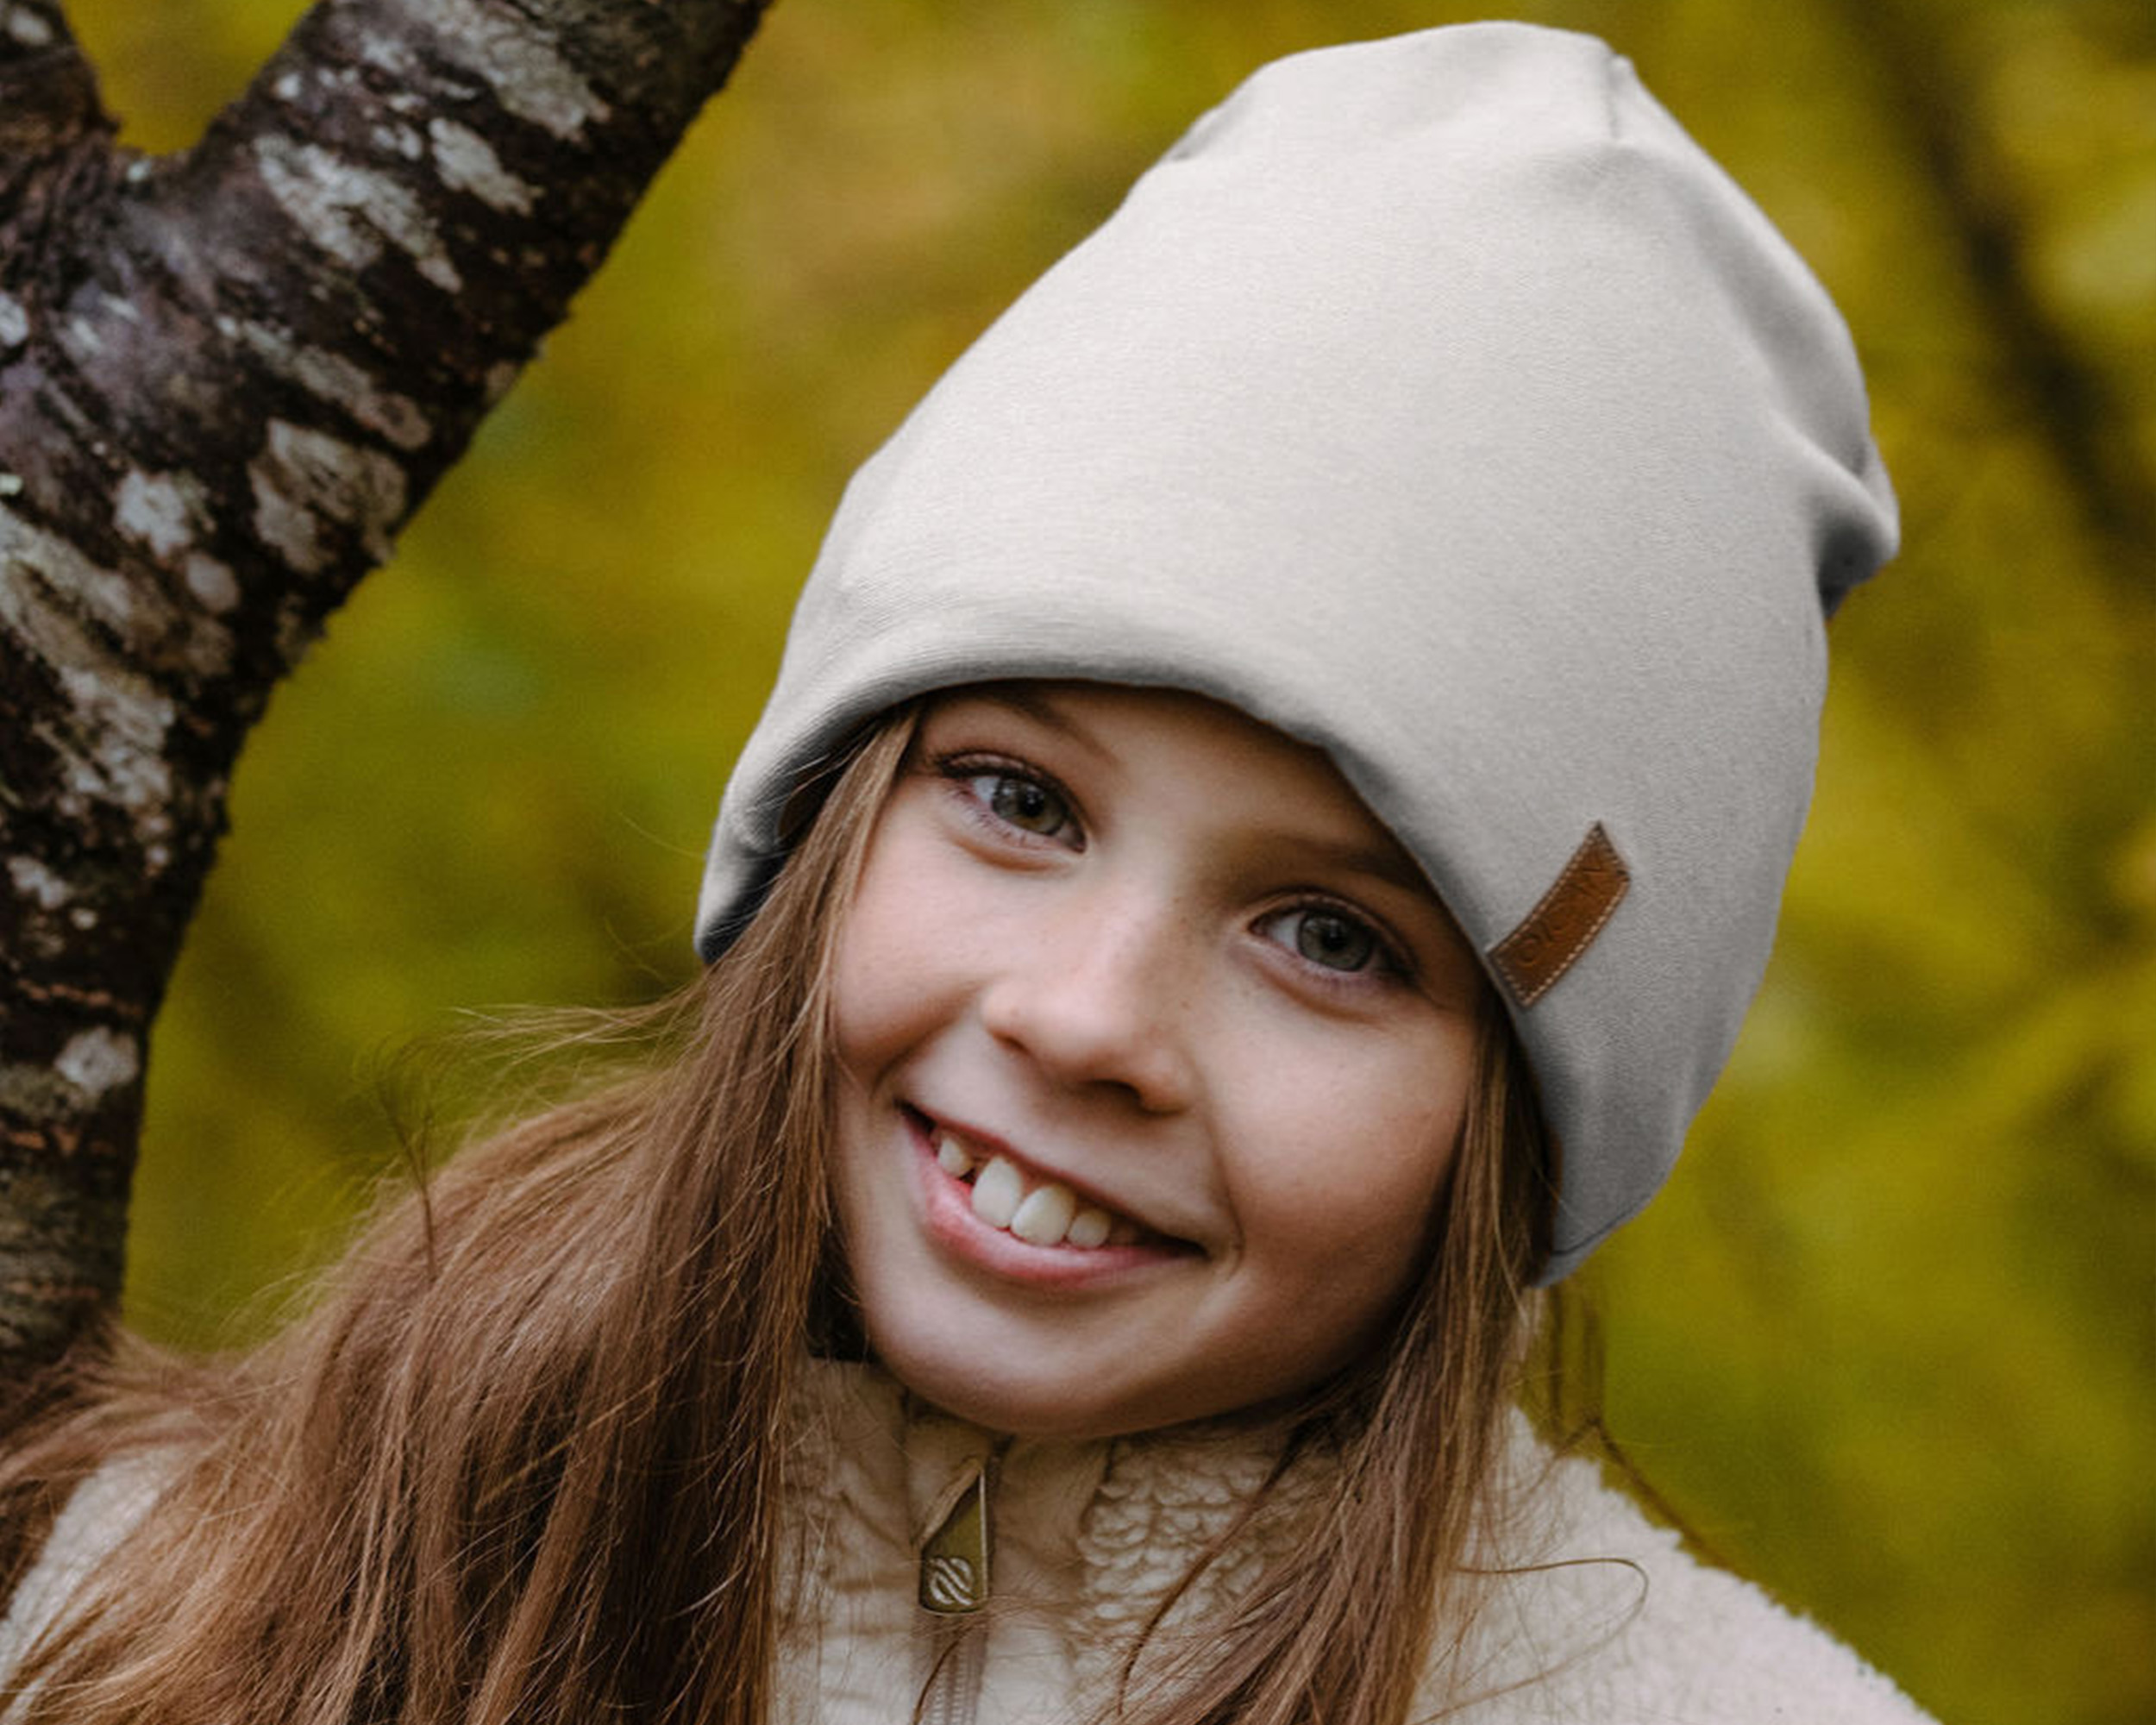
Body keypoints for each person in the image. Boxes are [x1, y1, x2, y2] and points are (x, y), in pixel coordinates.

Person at [0, 22, 1934, 1725]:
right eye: (1019, 799)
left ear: (1524, 1116)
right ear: (827, 821)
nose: (1082, 1020)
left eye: (1331, 938)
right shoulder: (223, 1578)